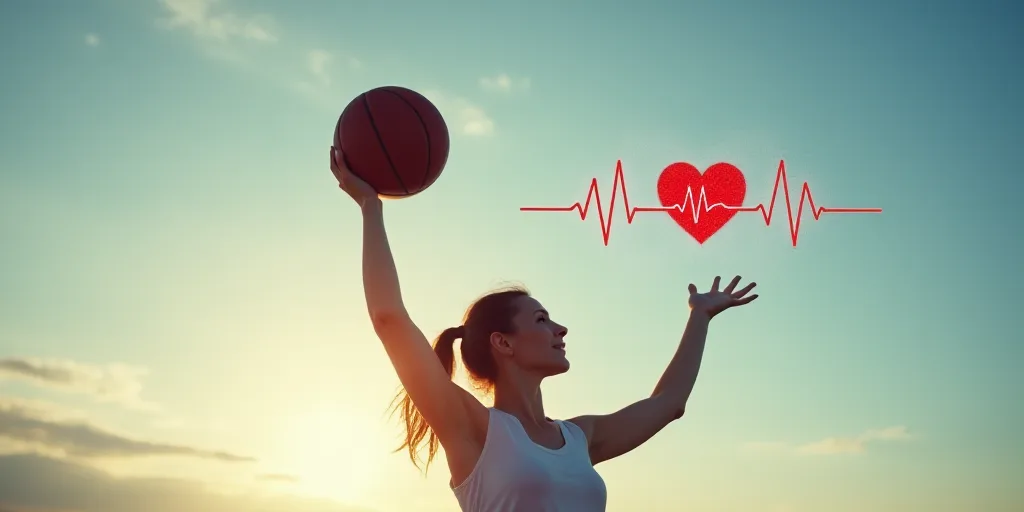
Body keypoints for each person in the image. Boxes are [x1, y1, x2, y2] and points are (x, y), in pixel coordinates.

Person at [330, 147, 759, 512]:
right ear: (503, 343)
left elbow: (669, 403)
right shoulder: (472, 426)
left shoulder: (580, 437)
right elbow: (389, 318)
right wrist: (371, 207)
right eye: (541, 319)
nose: (560, 328)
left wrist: (699, 317)